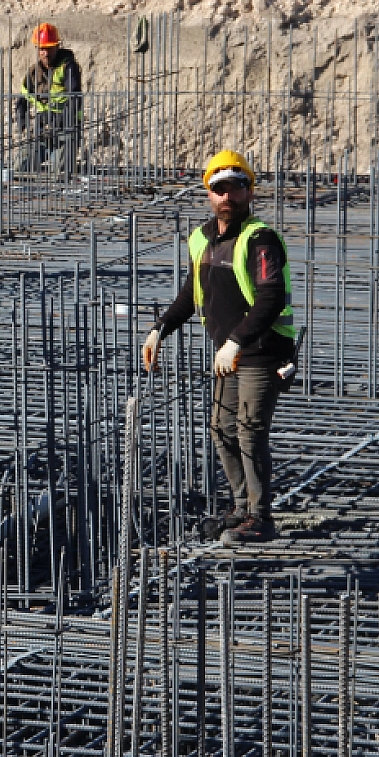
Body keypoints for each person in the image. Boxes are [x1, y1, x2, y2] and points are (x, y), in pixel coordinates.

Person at [141, 151, 295, 546]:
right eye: (219, 189)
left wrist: (236, 341)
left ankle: (260, 517)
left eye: (237, 188)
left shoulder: (260, 239)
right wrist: (161, 328)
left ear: (249, 191)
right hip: (229, 353)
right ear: (208, 192)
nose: (228, 197)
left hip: (262, 351)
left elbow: (271, 298)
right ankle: (242, 506)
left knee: (249, 431)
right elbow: (191, 294)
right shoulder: (201, 238)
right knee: (222, 430)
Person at [14, 22, 83, 177]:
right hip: (43, 129)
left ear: (57, 47)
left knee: (60, 173)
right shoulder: (34, 72)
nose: (45, 53)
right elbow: (23, 96)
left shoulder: (68, 67)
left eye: (49, 48)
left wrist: (59, 121)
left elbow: (74, 97)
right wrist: (22, 118)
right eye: (42, 49)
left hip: (66, 128)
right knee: (20, 167)